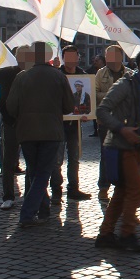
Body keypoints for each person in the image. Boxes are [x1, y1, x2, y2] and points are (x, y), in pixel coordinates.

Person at [94, 48, 140, 252]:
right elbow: (102, 111)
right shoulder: (125, 84)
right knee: (138, 190)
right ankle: (127, 234)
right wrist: (122, 129)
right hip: (119, 145)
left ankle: (105, 234)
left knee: (122, 192)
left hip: (137, 146)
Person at [7, 41, 75, 228]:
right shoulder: (58, 76)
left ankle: (43, 212)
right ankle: (27, 214)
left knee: (34, 172)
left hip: (27, 132)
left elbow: (11, 106)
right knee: (42, 173)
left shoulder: (22, 77)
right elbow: (69, 106)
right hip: (51, 132)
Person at [0, 37, 30, 210]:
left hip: (30, 124)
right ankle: (8, 196)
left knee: (32, 162)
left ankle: (30, 196)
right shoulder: (8, 72)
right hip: (11, 123)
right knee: (9, 162)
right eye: (22, 56)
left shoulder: (36, 74)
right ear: (17, 58)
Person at [50, 44, 91, 202]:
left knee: (74, 157)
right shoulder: (56, 74)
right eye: (68, 56)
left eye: (74, 56)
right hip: (59, 123)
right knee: (57, 159)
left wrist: (88, 113)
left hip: (75, 124)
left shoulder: (83, 75)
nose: (71, 60)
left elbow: (89, 100)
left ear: (78, 58)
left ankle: (73, 189)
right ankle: (56, 191)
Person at [95, 45, 131, 202]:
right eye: (106, 56)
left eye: (111, 56)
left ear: (120, 57)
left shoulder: (129, 74)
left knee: (125, 154)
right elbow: (94, 93)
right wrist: (113, 94)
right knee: (106, 154)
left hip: (125, 120)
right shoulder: (100, 73)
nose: (108, 59)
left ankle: (122, 187)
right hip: (106, 120)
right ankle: (103, 187)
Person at [86, 55, 105, 137]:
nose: (95, 62)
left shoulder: (106, 71)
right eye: (94, 60)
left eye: (97, 60)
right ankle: (96, 130)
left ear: (102, 61)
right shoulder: (91, 70)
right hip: (94, 95)